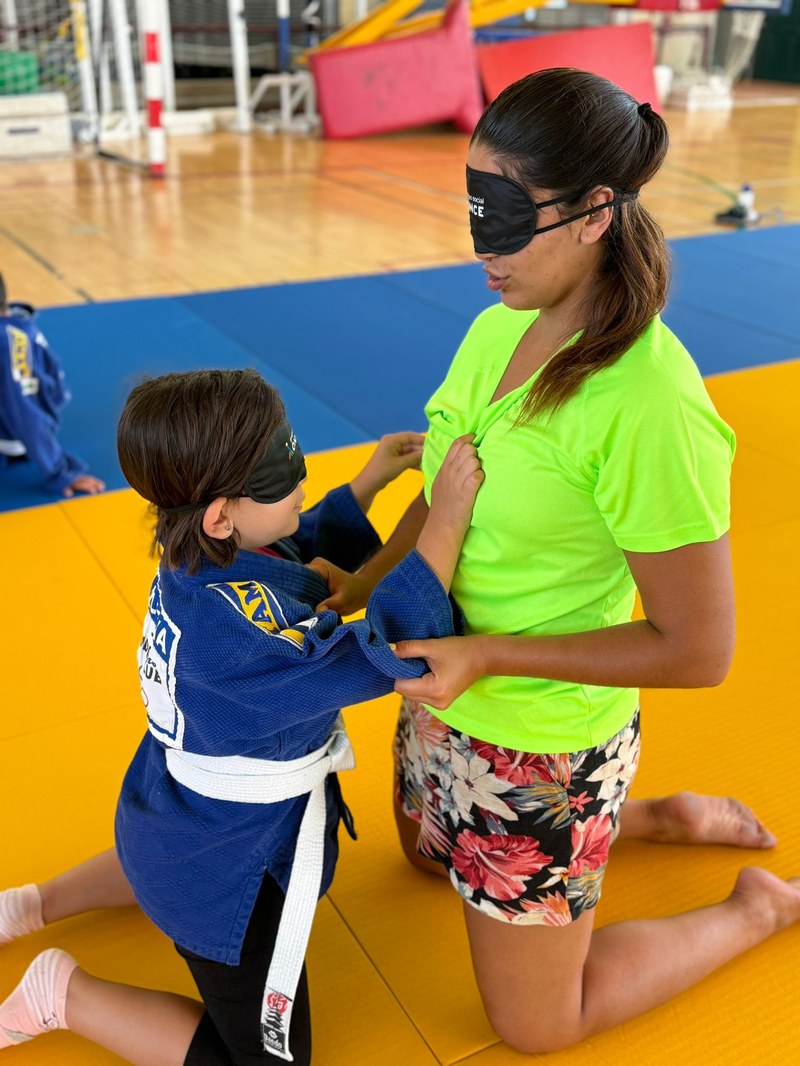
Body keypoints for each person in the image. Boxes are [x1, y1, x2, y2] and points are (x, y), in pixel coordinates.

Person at [316, 68, 800, 1054]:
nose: (479, 243)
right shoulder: (495, 323)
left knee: (538, 1026)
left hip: (535, 740)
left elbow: (696, 649)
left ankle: (750, 907)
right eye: (471, 206)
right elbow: (442, 487)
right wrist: (364, 587)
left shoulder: (646, 403)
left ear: (590, 213)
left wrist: (489, 655)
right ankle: (639, 817)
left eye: (503, 214)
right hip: (433, 696)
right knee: (418, 857)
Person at [0, 367, 483, 1065]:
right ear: (221, 513)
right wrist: (444, 522)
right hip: (223, 867)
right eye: (282, 478)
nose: (302, 483)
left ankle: (34, 902)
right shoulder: (235, 643)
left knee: (161, 860)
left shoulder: (200, 548)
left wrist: (367, 484)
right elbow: (383, 648)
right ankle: (63, 994)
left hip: (168, 817)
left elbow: (287, 548)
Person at [0, 274, 105, 497]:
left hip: (13, 435)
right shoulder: (13, 324)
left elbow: (28, 413)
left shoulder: (10, 346)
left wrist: (59, 472)